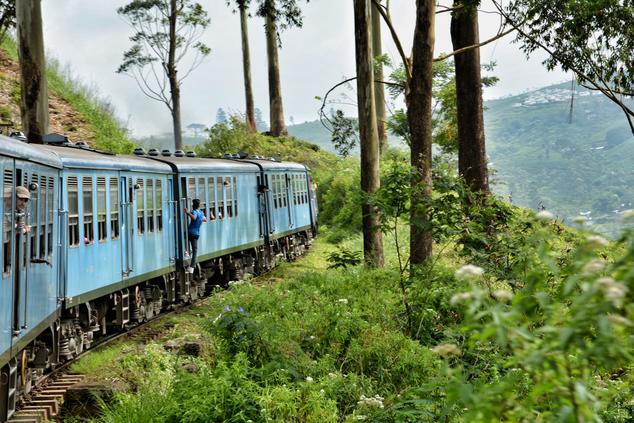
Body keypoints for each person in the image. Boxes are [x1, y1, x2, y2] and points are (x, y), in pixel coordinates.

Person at [184, 199, 204, 274]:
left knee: (184, 237)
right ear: (199, 205)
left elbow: (194, 218)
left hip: (191, 232)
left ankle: (186, 251)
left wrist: (188, 213)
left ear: (193, 205)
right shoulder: (201, 213)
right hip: (197, 234)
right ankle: (192, 267)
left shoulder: (194, 212)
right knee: (195, 250)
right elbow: (204, 219)